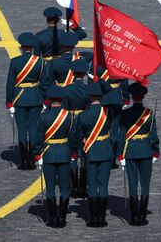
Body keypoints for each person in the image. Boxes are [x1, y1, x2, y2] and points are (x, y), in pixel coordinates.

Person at [33, 86, 77, 228]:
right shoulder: (69, 116)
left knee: (50, 189)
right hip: (64, 153)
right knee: (65, 189)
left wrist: (37, 154)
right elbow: (73, 137)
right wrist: (72, 152)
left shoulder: (43, 116)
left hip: (49, 154)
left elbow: (38, 138)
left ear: (50, 100)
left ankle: (53, 218)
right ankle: (62, 218)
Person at [117, 83, 160, 226]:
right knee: (145, 184)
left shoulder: (125, 114)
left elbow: (122, 135)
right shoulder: (148, 113)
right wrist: (156, 151)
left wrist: (120, 155)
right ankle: (142, 216)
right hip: (146, 151)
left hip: (130, 151)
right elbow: (153, 135)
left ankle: (134, 217)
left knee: (133, 184)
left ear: (131, 96)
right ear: (143, 96)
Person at [5, 32, 45, 170]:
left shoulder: (15, 61)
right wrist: (45, 100)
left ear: (21, 47)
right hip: (35, 97)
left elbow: (10, 83)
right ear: (33, 47)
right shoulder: (40, 61)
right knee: (33, 129)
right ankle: (33, 160)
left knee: (22, 130)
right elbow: (44, 82)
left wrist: (9, 101)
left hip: (19, 98)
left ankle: (24, 161)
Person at [76, 82, 113, 227]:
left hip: (91, 151)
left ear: (89, 96)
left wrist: (85, 144)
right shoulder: (108, 112)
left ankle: (93, 219)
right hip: (105, 149)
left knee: (92, 186)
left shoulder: (83, 115)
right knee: (103, 185)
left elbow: (78, 137)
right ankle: (102, 218)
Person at [62, 59, 91, 198]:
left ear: (72, 73)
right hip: (85, 123)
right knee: (85, 155)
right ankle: (83, 186)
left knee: (72, 154)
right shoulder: (89, 90)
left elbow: (65, 111)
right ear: (85, 73)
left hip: (72, 123)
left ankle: (73, 186)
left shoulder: (66, 90)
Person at [91, 66, 130, 169]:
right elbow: (124, 82)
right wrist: (126, 98)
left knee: (102, 130)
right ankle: (112, 158)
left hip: (103, 98)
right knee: (114, 131)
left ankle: (103, 157)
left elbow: (92, 81)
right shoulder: (117, 63)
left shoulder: (98, 64)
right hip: (116, 98)